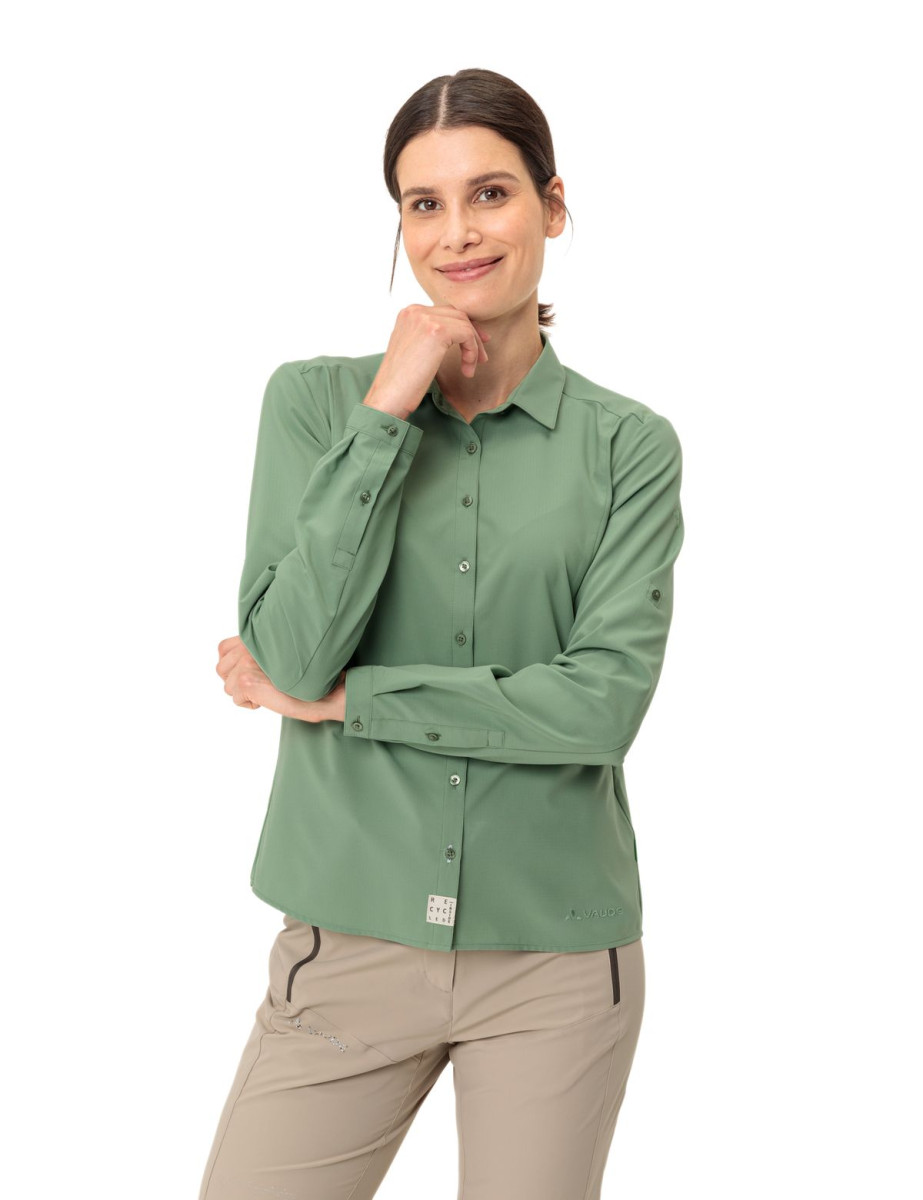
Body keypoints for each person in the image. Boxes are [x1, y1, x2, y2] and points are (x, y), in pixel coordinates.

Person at [201, 67, 685, 1200]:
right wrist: (386, 406)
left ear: (551, 208)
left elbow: (599, 707)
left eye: (490, 194)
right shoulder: (313, 405)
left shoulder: (628, 448)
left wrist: (350, 704)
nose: (457, 232)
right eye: (424, 204)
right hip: (346, 948)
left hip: (555, 964)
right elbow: (289, 652)